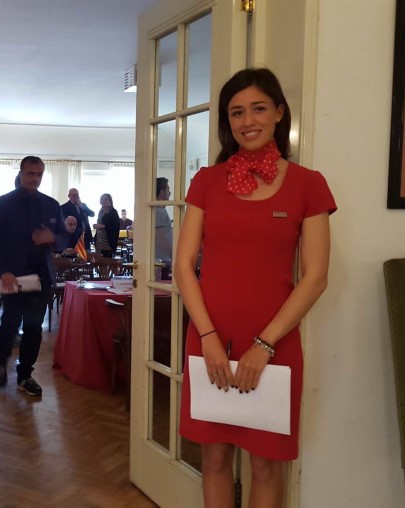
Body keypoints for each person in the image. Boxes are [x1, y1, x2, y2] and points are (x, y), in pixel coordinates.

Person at [174, 68, 336, 508]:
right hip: (209, 339)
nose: (248, 121)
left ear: (279, 113)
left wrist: (264, 344)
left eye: (258, 109)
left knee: (266, 464)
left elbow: (316, 276)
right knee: (214, 458)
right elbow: (184, 266)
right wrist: (207, 338)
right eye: (237, 112)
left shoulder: (309, 184)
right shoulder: (207, 181)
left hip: (275, 345)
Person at [0, 156, 68, 396]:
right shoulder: (4, 203)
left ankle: (25, 375)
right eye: (31, 173)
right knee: (10, 322)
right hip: (11, 275)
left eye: (39, 174)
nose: (35, 178)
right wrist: (2, 271)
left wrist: (52, 238)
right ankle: (1, 360)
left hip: (40, 278)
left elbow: (64, 237)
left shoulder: (51, 204)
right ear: (21, 174)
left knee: (33, 328)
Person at [92, 193, 121, 258]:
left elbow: (115, 226)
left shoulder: (113, 211)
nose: (103, 201)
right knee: (99, 259)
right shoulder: (101, 211)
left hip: (108, 241)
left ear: (109, 200)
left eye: (105, 199)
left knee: (107, 258)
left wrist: (102, 226)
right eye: (102, 199)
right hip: (99, 239)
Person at [154, 177, 173, 268]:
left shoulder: (160, 210)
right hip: (161, 261)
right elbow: (162, 239)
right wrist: (174, 258)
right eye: (168, 189)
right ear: (162, 192)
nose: (170, 193)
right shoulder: (159, 211)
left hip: (161, 259)